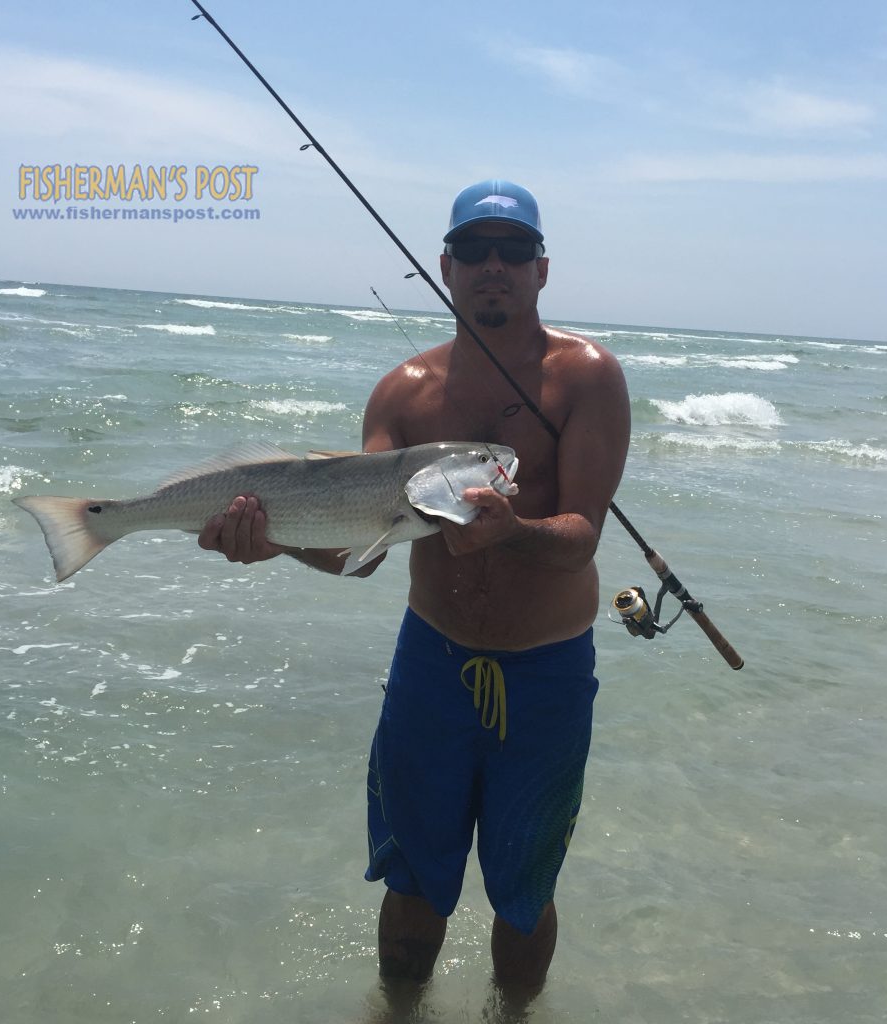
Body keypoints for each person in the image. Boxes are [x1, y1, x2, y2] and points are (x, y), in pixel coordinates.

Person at [198, 179, 631, 1001]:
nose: (492, 266)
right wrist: (275, 542)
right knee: (411, 881)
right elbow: (358, 552)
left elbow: (580, 541)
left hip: (545, 677)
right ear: (445, 265)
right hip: (431, 664)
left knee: (524, 892)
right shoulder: (403, 391)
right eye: (473, 250)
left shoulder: (588, 378)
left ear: (542, 269)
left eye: (512, 250)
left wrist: (514, 532)